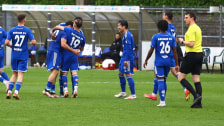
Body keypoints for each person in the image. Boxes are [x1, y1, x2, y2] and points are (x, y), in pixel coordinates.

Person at [144, 11, 190, 101]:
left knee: (160, 74)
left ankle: (156, 94)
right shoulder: (172, 27)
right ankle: (184, 88)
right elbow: (175, 40)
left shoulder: (166, 27)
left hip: (166, 55)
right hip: (172, 53)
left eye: (163, 14)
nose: (163, 16)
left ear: (166, 16)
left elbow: (165, 40)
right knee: (174, 73)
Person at [143, 20, 179, 107]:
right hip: (168, 62)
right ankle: (162, 99)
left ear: (158, 27)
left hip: (159, 62)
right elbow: (175, 52)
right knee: (164, 80)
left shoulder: (156, 37)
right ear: (167, 27)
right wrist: (177, 64)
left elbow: (151, 50)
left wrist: (146, 59)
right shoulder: (171, 37)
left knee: (160, 80)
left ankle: (162, 102)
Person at [50, 17, 85, 98]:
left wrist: (53, 31)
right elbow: (82, 48)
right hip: (75, 56)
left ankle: (65, 91)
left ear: (74, 24)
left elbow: (58, 27)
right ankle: (75, 90)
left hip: (66, 54)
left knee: (64, 73)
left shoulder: (69, 30)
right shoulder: (83, 36)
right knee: (74, 73)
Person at [5, 14, 36, 100]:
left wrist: (11, 46)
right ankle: (16, 92)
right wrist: (34, 41)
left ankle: (9, 92)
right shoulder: (27, 30)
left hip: (14, 55)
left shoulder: (12, 30)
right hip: (23, 55)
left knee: (14, 74)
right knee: (20, 74)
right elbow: (33, 42)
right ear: (24, 20)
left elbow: (6, 42)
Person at [178, 11, 203, 108]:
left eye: (186, 17)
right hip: (199, 55)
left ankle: (196, 96)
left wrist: (182, 41)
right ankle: (199, 103)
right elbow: (200, 41)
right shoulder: (198, 28)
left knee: (181, 78)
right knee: (196, 79)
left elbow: (192, 43)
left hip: (192, 55)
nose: (185, 19)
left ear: (192, 18)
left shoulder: (192, 28)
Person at [42, 21, 73, 98]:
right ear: (69, 26)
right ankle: (46, 89)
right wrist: (73, 50)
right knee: (55, 71)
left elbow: (52, 29)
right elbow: (63, 44)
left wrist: (51, 33)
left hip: (54, 51)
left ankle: (52, 92)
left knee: (55, 72)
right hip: (55, 52)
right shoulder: (64, 32)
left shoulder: (60, 27)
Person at [114, 20, 136, 99]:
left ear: (124, 26)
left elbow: (129, 48)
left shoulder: (127, 35)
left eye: (119, 25)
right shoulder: (125, 35)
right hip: (124, 57)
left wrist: (126, 60)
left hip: (128, 58)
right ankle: (123, 92)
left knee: (128, 74)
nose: (118, 27)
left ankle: (133, 94)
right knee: (120, 73)